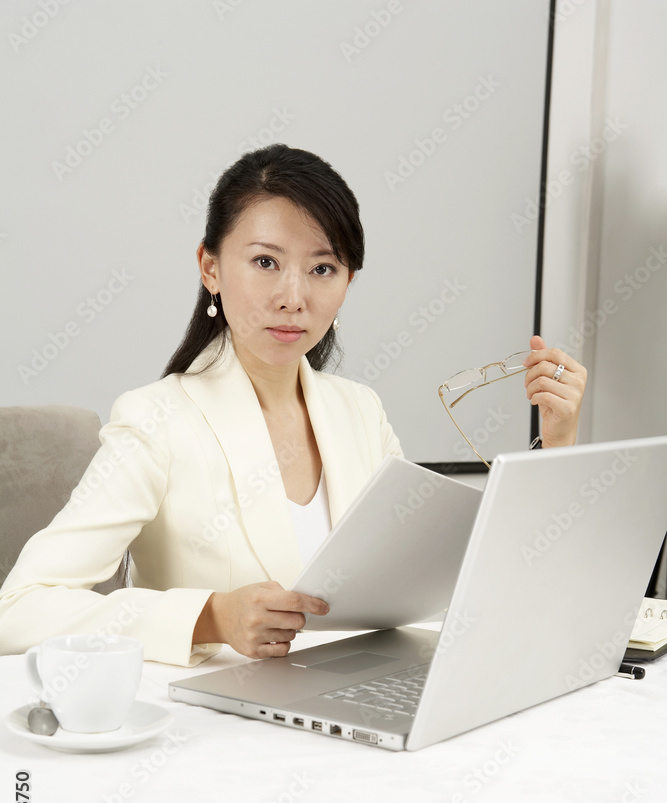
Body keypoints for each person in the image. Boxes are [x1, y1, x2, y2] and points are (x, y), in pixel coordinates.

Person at [0, 145, 587, 668]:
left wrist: (557, 442)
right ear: (210, 267)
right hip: (219, 733)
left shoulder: (360, 412)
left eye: (322, 268)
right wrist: (210, 617)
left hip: (355, 702)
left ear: (347, 282)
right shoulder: (157, 419)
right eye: (265, 262)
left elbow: (457, 584)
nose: (293, 297)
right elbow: (21, 608)